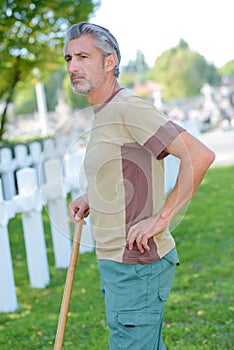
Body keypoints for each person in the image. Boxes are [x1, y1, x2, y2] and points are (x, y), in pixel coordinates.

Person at [65, 22, 215, 350]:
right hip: (116, 263)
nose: (73, 66)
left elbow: (199, 156)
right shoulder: (104, 111)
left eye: (82, 56)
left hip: (136, 265)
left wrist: (161, 219)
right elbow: (129, 166)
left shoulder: (128, 107)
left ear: (109, 62)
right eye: (68, 59)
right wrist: (94, 196)